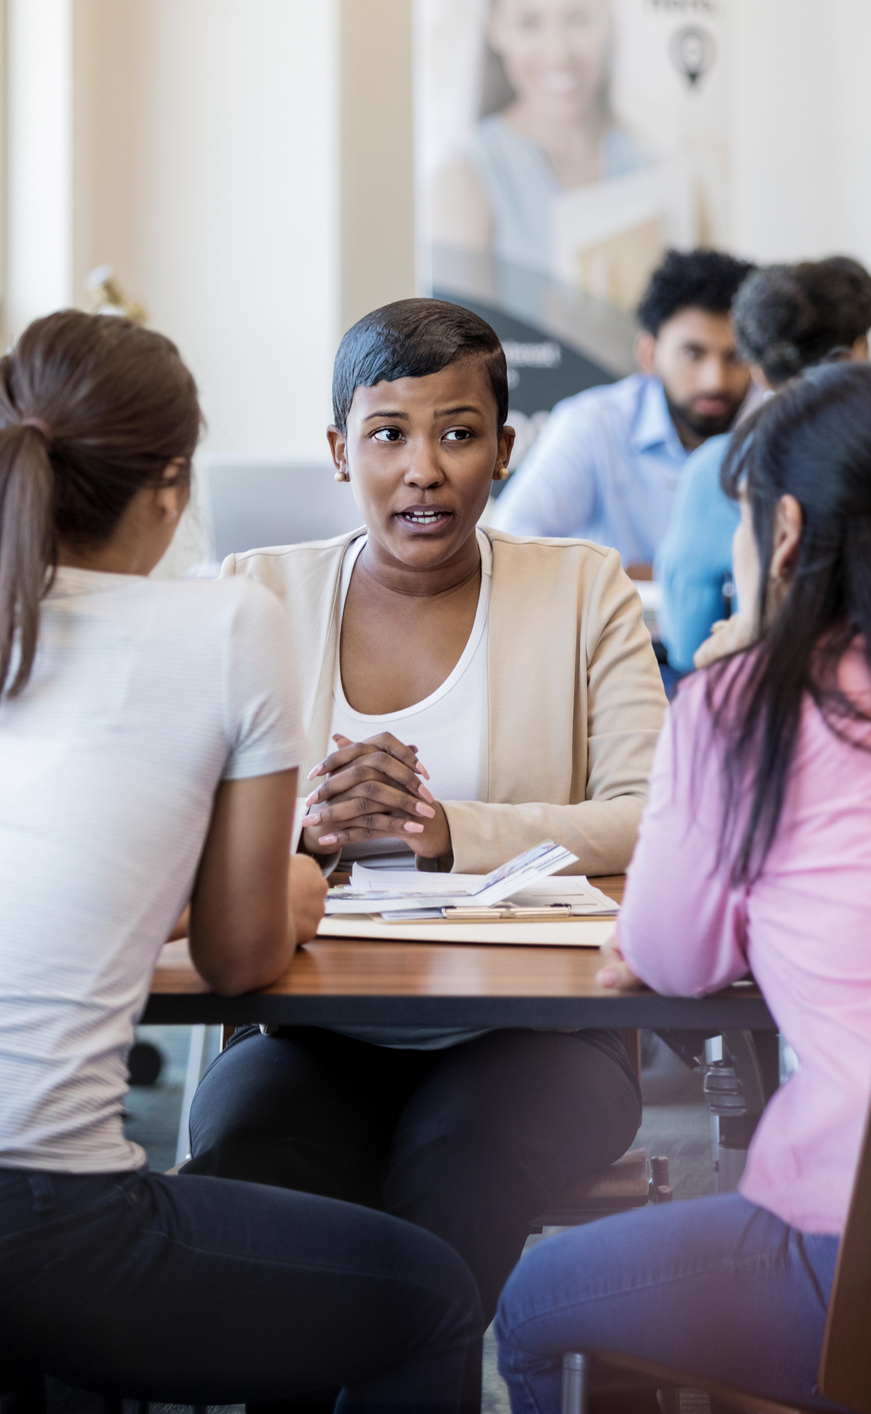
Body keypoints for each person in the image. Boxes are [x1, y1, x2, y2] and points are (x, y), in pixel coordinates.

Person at [0, 310, 481, 1408]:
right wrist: (301, 882)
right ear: (171, 489)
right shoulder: (227, 627)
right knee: (437, 1296)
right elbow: (237, 954)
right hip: (42, 1222)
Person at [181, 298, 664, 1403]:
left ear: (507, 445)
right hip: (314, 1028)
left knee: (447, 1184)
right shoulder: (254, 594)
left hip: (541, 1031)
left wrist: (449, 833)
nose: (423, 470)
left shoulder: (584, 587)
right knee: (254, 1177)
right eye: (389, 434)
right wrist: (301, 830)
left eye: (458, 432)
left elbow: (653, 814)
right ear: (340, 451)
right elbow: (179, 822)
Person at [491, 363, 871, 1411]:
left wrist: (723, 685)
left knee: (532, 1304)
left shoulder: (747, 706)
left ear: (787, 532)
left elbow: (668, 957)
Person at [656, 256, 871, 669]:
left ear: (757, 368)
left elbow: (688, 644)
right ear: (860, 350)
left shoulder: (723, 467)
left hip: (776, 699)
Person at [492, 248, 755, 564]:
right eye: (693, 354)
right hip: (618, 613)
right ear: (649, 354)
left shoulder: (780, 428)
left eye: (735, 356)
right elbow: (509, 542)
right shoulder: (594, 424)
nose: (715, 380)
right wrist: (628, 580)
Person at [431, 0, 652, 278]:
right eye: (529, 22)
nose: (559, 52)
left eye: (578, 18)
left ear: (608, 20)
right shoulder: (464, 179)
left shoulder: (655, 164)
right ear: (495, 27)